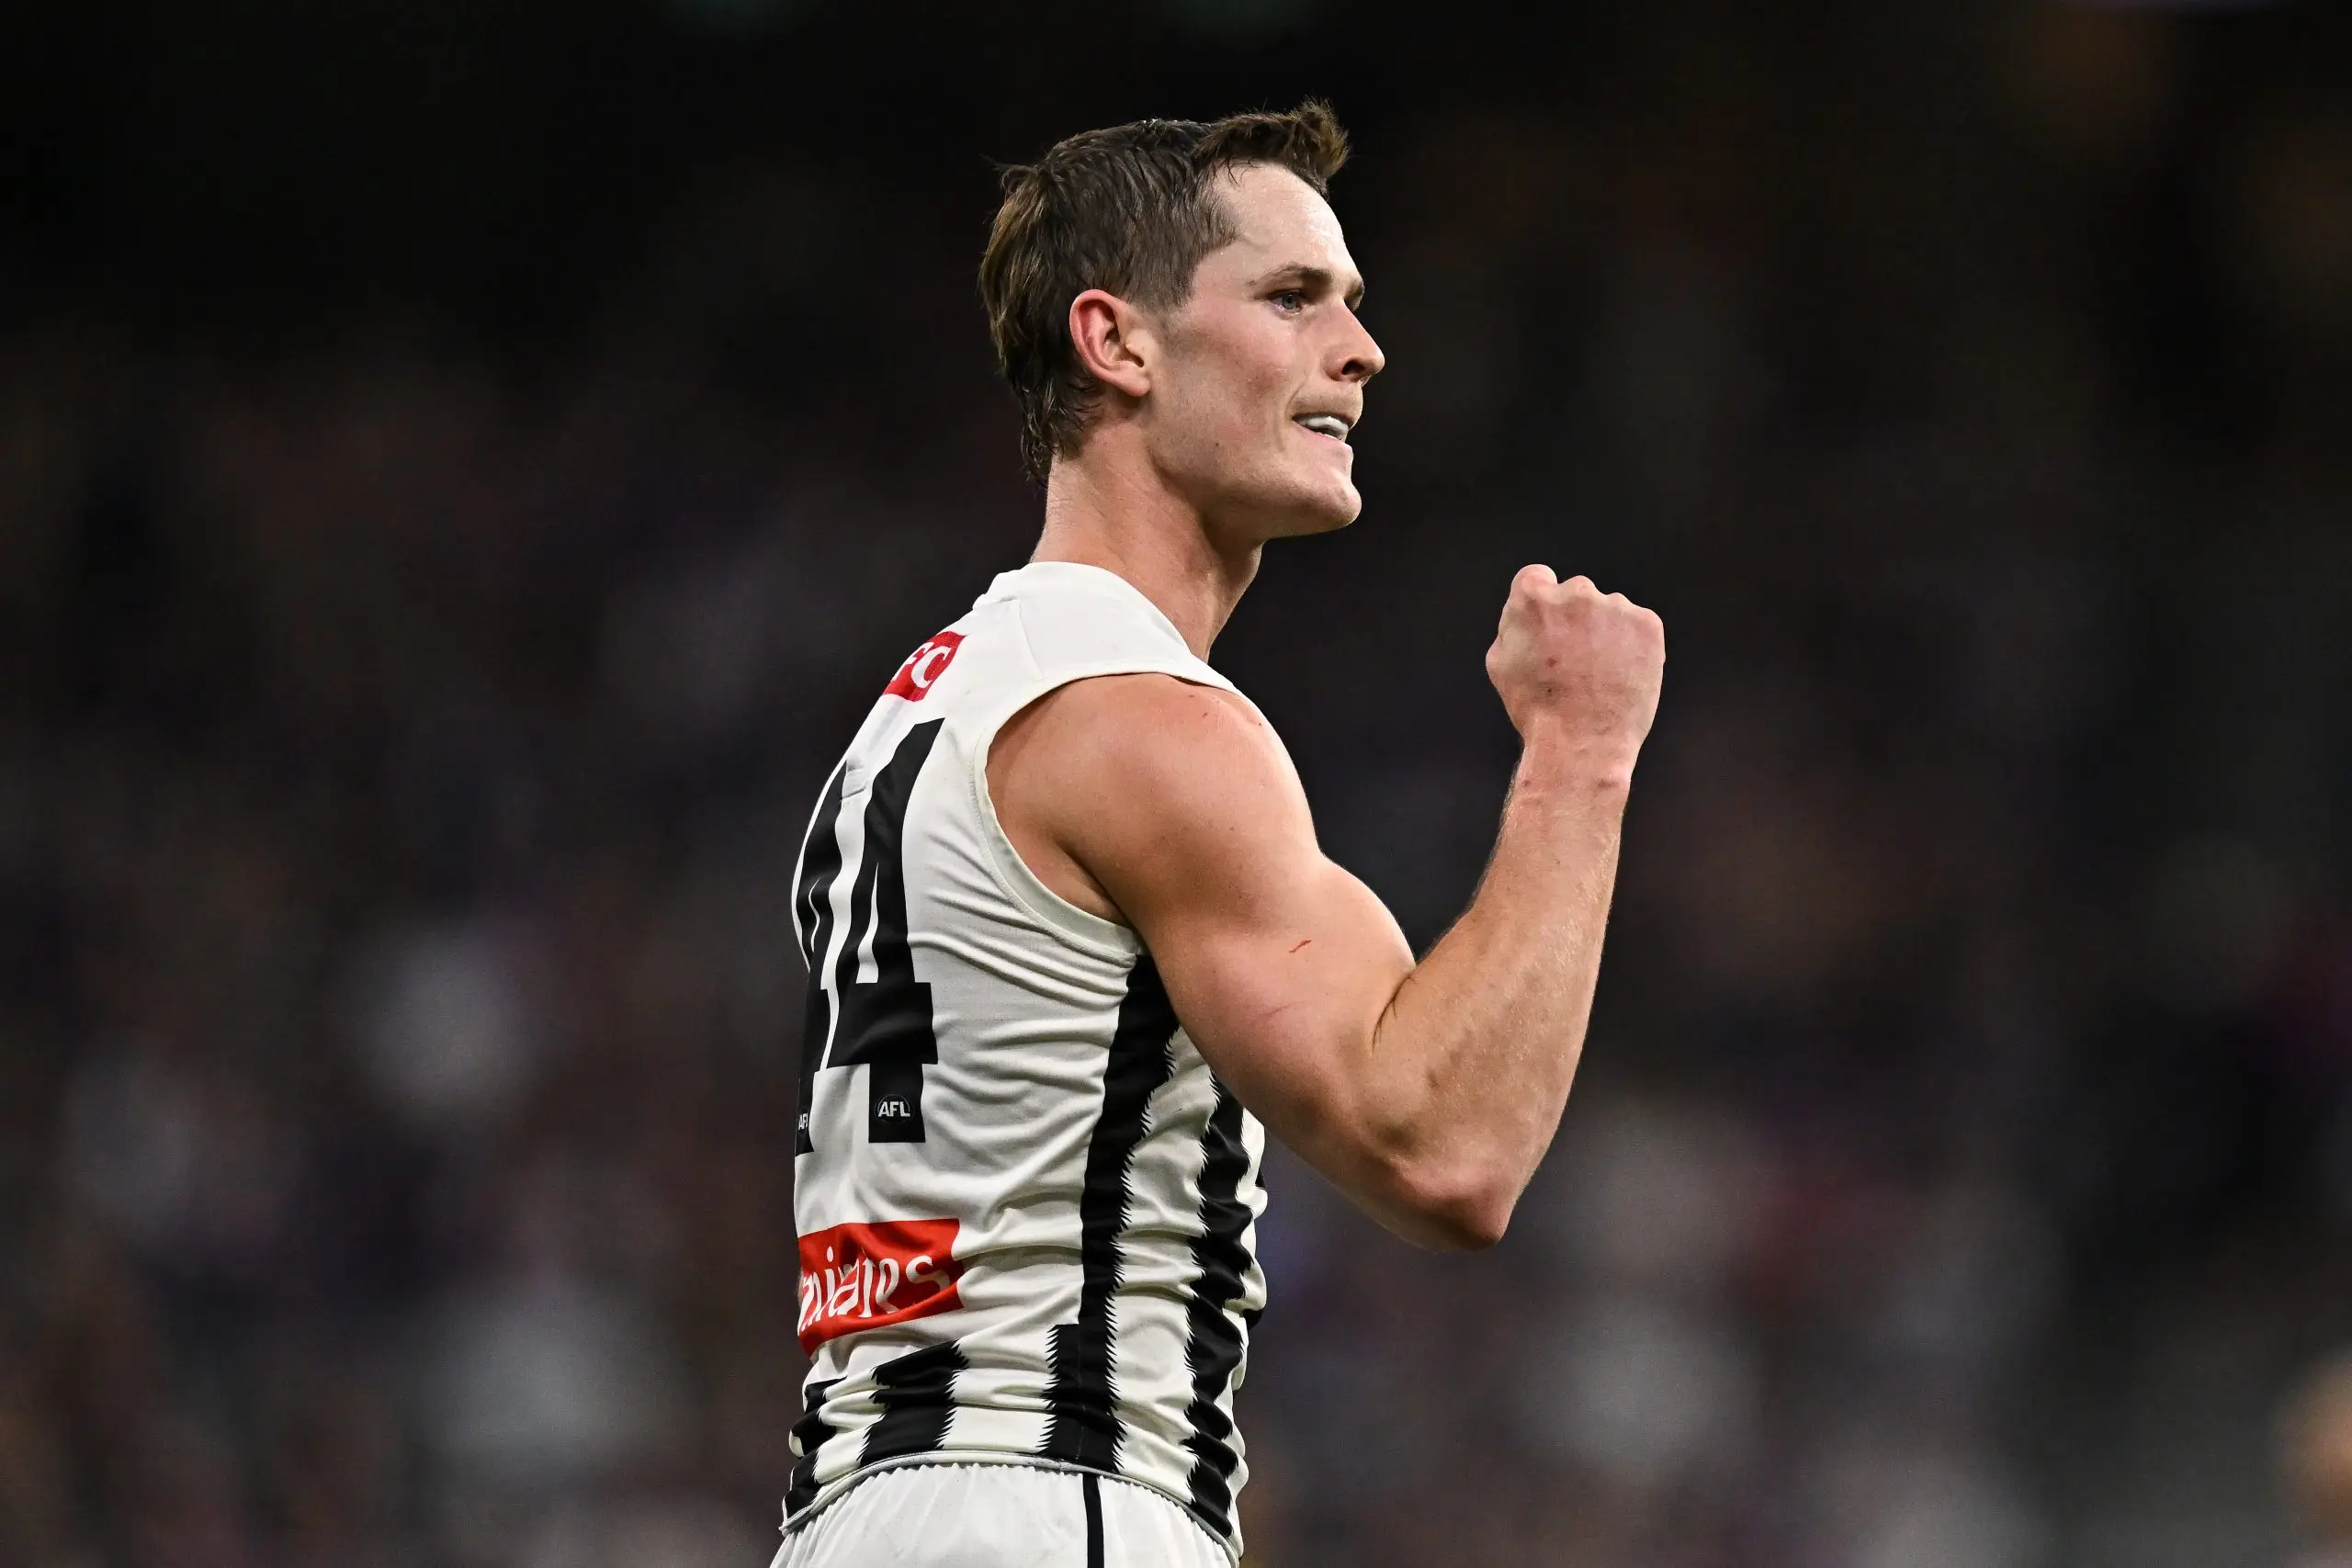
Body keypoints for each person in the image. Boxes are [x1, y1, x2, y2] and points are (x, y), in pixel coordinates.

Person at [776, 101, 1664, 1567]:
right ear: (1117, 343)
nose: (1361, 349)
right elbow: (1446, 1144)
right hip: (1055, 1502)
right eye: (1292, 296)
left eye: (1355, 305)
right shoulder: (1144, 719)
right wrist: (1582, 754)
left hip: (870, 1511)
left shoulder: (925, 710)